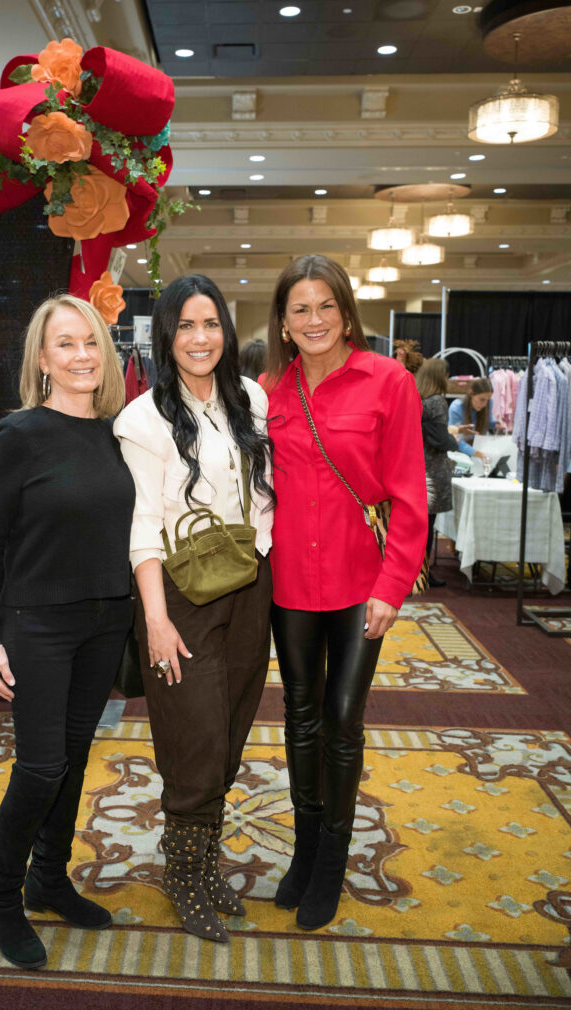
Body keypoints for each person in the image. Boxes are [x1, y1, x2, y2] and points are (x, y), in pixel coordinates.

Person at [0, 295, 135, 969]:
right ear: (42, 359)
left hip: (105, 621)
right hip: (37, 625)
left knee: (72, 761)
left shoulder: (119, 432)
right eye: (65, 344)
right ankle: (1, 899)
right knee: (39, 768)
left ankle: (50, 878)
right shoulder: (19, 435)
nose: (82, 355)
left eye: (91, 342)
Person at [263, 254, 427, 932]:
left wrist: (393, 586)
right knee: (299, 716)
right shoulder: (271, 389)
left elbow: (411, 492)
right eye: (299, 309)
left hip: (363, 586)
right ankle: (304, 850)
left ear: (346, 310)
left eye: (325, 305)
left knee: (341, 718)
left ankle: (332, 859)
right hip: (290, 585)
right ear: (283, 321)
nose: (314, 320)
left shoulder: (388, 382)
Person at [113, 274, 274, 943]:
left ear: (226, 332)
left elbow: (266, 502)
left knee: (232, 729)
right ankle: (181, 873)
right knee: (194, 735)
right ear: (166, 335)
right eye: (185, 325)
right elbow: (142, 528)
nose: (200, 338)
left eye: (210, 324)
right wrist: (155, 619)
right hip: (179, 595)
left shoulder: (253, 401)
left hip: (251, 586)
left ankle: (204, 864)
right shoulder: (142, 419)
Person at [416, 358, 459, 588]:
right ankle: (423, 574)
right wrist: (453, 440)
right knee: (427, 527)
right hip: (433, 469)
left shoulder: (418, 399)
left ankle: (415, 572)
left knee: (415, 526)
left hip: (415, 468)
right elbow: (441, 441)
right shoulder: (438, 402)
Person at [448, 377, 501, 461]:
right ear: (471, 393)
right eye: (482, 399)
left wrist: (496, 424)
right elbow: (455, 439)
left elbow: (488, 423)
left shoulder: (489, 402)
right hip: (460, 452)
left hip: (480, 446)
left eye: (487, 400)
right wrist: (477, 453)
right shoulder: (456, 408)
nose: (484, 404)